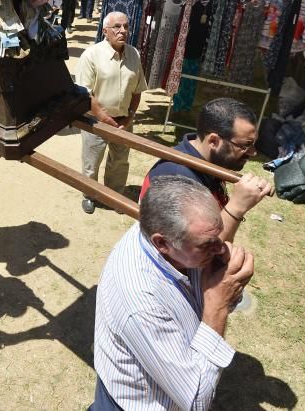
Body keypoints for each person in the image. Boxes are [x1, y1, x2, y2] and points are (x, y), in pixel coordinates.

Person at [92, 175, 254, 410]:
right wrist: (217, 306)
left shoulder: (166, 234)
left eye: (218, 238)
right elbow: (197, 401)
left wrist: (225, 282)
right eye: (207, 244)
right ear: (162, 244)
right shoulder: (140, 301)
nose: (220, 248)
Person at [141, 98, 273, 242]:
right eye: (245, 145)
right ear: (213, 141)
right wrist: (237, 206)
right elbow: (205, 249)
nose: (253, 152)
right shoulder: (177, 180)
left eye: (253, 143)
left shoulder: (209, 162)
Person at [76, 12, 147, 214]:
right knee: (92, 160)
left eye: (125, 26)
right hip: (96, 121)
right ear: (105, 31)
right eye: (116, 27)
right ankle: (89, 194)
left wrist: (129, 117)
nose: (122, 31)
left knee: (120, 160)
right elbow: (84, 93)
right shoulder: (91, 55)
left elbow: (137, 90)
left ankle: (114, 195)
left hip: (124, 121)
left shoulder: (134, 54)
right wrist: (104, 118)